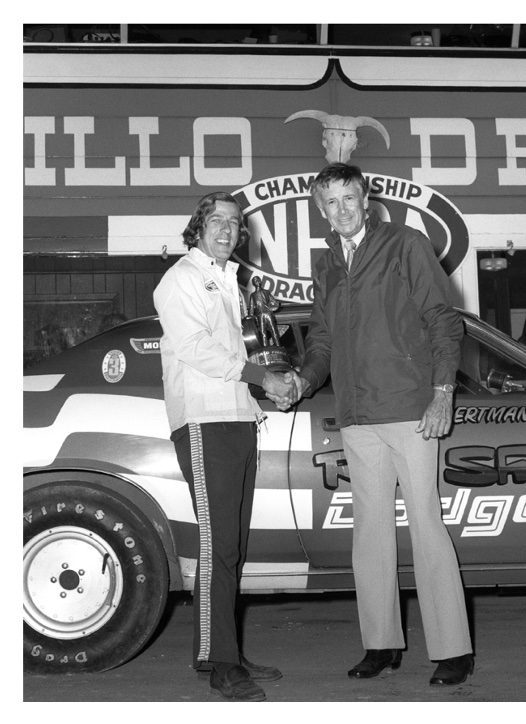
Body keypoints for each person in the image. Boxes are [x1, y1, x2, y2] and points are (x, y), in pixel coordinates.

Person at [285, 163, 475, 687]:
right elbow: (322, 339)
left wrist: (442, 392)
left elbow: (443, 320)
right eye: (331, 202)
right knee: (368, 530)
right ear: (321, 210)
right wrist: (304, 381)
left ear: (365, 199)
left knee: (426, 525)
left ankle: (453, 649)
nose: (342, 209)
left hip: (409, 407)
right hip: (356, 414)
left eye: (349, 198)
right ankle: (381, 643)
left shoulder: (405, 245)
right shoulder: (326, 264)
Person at [152, 191, 296, 701]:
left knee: (232, 547)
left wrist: (272, 373)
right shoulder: (182, 279)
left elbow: (242, 349)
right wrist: (263, 377)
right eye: (216, 221)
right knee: (218, 547)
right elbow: (196, 348)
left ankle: (221, 648)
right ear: (197, 228)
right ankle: (222, 665)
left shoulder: (232, 280)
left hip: (237, 418)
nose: (226, 229)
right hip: (204, 422)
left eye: (234, 223)